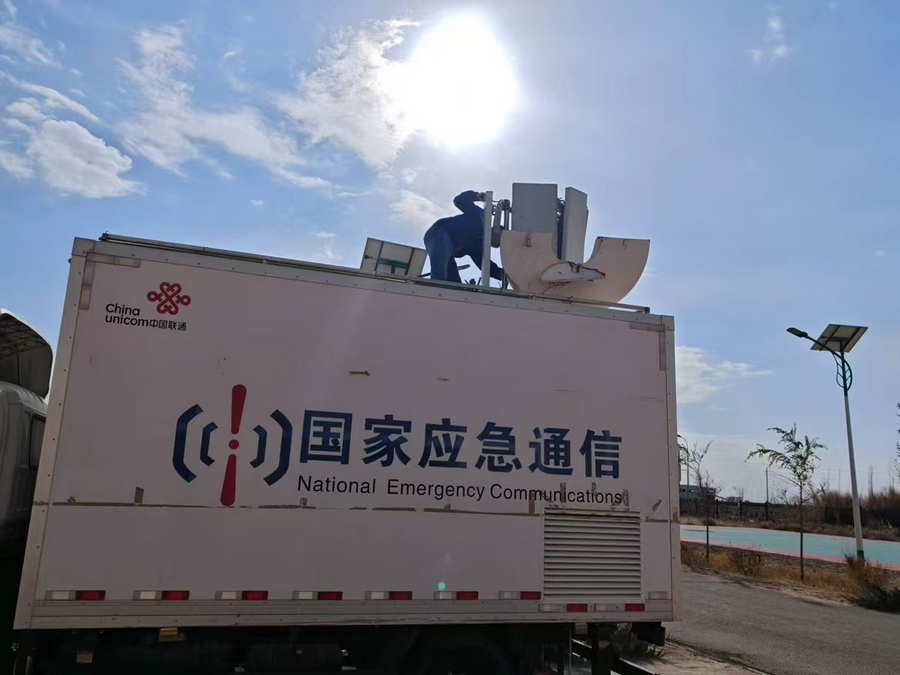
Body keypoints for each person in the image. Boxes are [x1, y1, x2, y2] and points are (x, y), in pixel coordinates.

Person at [423, 190, 503, 283]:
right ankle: (435, 288)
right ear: (496, 230)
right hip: (439, 233)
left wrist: (505, 275)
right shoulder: (481, 217)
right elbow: (459, 200)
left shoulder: (478, 246)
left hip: (449, 248)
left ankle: (443, 288)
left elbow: (486, 266)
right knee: (440, 274)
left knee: (454, 282)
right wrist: (477, 196)